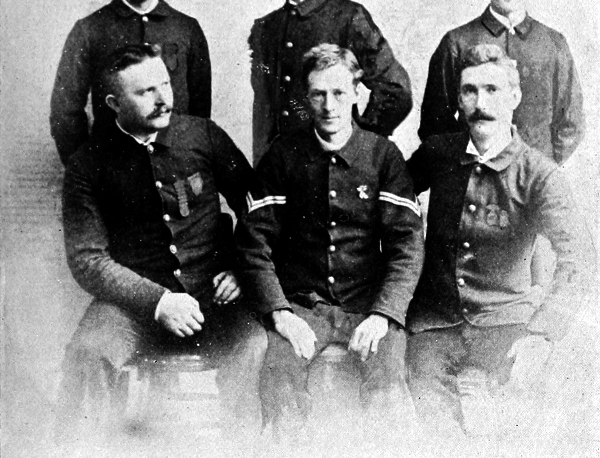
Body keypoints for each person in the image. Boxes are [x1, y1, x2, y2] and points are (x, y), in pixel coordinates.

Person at [55, 44, 265, 450]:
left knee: (254, 346)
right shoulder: (87, 164)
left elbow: (259, 207)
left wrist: (241, 268)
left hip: (214, 297)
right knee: (88, 354)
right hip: (132, 307)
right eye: (145, 92)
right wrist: (158, 301)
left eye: (165, 84)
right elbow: (87, 259)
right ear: (114, 104)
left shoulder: (203, 135)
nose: (162, 99)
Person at [406, 44, 594, 452]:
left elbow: (580, 258)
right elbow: (388, 203)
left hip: (506, 324)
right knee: (426, 422)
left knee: (516, 418)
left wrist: (542, 332)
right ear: (458, 100)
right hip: (434, 325)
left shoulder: (538, 173)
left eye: (492, 90)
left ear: (515, 96)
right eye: (469, 91)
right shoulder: (437, 153)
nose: (481, 103)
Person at [236, 44, 424, 447]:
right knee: (280, 386)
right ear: (306, 97)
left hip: (367, 306)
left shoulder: (382, 156)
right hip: (302, 307)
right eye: (318, 94)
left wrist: (384, 314)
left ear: (357, 92)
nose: (329, 105)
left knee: (389, 390)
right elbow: (253, 244)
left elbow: (407, 246)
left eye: (339, 92)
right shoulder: (283, 155)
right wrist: (281, 314)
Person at [249, 0, 412, 164]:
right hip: (279, 168)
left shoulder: (349, 17)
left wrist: (359, 143)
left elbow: (396, 90)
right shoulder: (266, 27)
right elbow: (264, 109)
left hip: (332, 167)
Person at [50, 0, 211, 165]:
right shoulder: (89, 30)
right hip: (112, 168)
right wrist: (85, 170)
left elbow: (200, 113)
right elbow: (65, 111)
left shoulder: (187, 29)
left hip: (176, 166)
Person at [419, 0, 584, 166]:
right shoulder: (456, 42)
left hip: (533, 178)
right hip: (474, 176)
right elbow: (434, 123)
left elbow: (571, 122)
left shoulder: (554, 43)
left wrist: (542, 169)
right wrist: (466, 168)